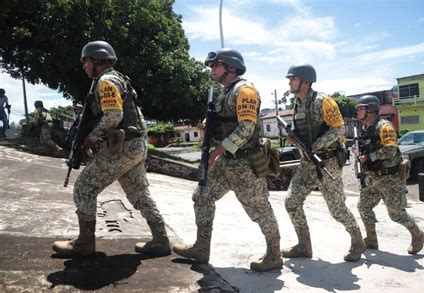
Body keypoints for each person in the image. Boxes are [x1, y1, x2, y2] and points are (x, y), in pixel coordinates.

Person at [52, 40, 171, 257]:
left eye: (86, 61)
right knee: (140, 194)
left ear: (97, 60)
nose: (84, 66)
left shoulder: (106, 81)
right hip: (135, 145)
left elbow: (114, 115)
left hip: (123, 147)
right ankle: (161, 240)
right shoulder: (118, 79)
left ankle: (84, 243)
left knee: (84, 188)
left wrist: (91, 137)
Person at [172, 48, 283, 272]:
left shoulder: (245, 91)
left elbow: (246, 127)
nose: (212, 70)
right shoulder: (225, 92)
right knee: (202, 196)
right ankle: (201, 248)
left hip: (244, 162)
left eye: (215, 66)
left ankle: (274, 254)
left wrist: (218, 151)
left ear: (230, 67)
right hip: (225, 161)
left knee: (259, 208)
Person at [281, 64, 366, 262]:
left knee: (337, 209)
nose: (289, 82)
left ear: (305, 81)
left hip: (327, 163)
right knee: (291, 202)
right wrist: (294, 137)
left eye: (292, 79)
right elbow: (301, 129)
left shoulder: (324, 101)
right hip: (306, 164)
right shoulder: (297, 103)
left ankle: (358, 241)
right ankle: (304, 245)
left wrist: (317, 145)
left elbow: (339, 129)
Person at [354, 95, 424, 254]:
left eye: (361, 108)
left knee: (396, 214)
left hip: (389, 178)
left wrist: (369, 156)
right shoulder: (367, 128)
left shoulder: (384, 126)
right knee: (363, 206)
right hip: (372, 178)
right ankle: (371, 239)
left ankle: (418, 235)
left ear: (371, 109)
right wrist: (360, 152)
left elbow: (391, 149)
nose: (358, 111)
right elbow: (370, 148)